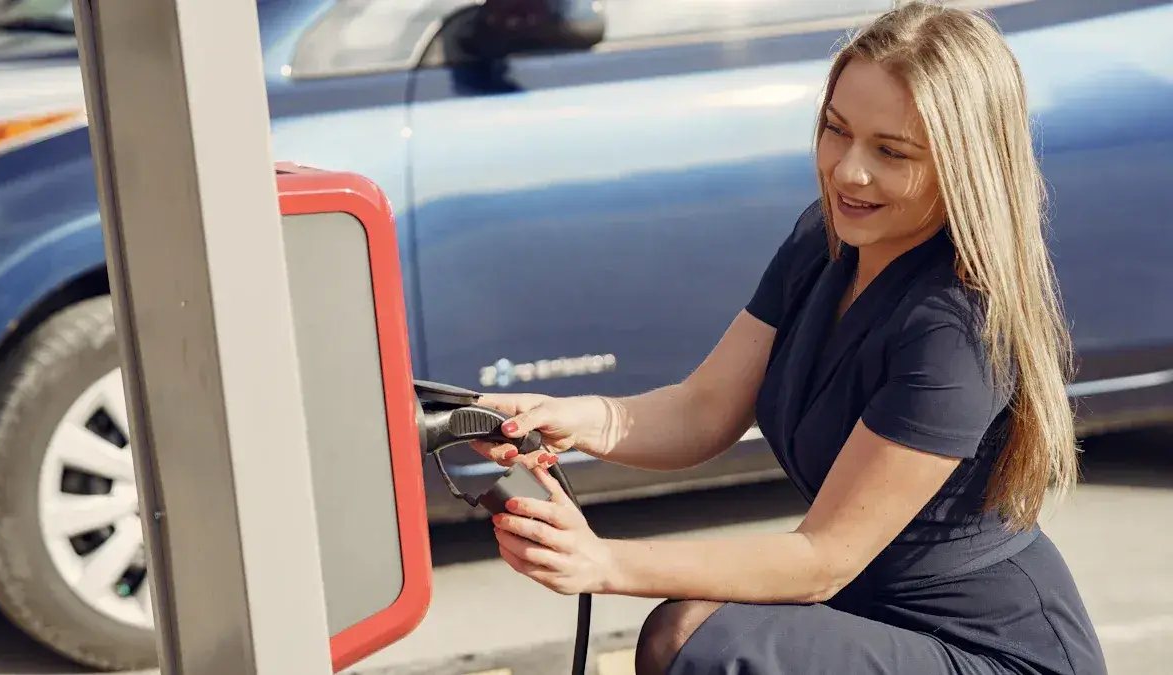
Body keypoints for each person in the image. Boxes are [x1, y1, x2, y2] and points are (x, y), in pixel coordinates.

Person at [468, 2, 1108, 673]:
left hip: (988, 651)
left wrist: (605, 561)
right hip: (867, 614)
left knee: (696, 639)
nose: (848, 171)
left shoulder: (958, 327)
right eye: (836, 131)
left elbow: (822, 559)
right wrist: (576, 418)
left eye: (891, 152)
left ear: (964, 164)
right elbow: (705, 408)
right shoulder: (825, 239)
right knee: (690, 633)